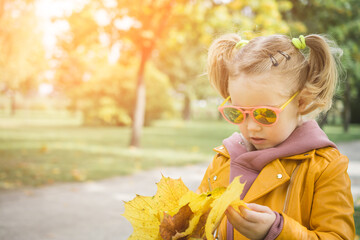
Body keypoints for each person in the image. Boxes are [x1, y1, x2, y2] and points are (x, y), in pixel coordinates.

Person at [197, 33, 355, 239]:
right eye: (238, 113)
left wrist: (277, 231)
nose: (251, 127)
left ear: (301, 102)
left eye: (265, 114)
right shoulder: (223, 160)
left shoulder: (324, 168)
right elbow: (198, 220)